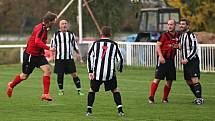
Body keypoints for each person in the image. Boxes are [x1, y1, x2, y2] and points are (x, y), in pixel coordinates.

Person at [6, 11, 57, 101]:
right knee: (24, 76)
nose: (54, 22)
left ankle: (45, 94)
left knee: (47, 70)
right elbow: (37, 41)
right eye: (54, 21)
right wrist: (48, 48)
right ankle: (11, 85)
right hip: (31, 55)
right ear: (49, 21)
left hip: (39, 55)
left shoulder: (43, 27)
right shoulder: (41, 29)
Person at [86, 26, 124, 116]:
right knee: (115, 90)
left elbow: (89, 57)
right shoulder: (114, 44)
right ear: (110, 34)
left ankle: (89, 111)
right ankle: (120, 110)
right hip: (109, 73)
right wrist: (119, 68)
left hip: (97, 73)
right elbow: (120, 59)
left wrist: (90, 71)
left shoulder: (95, 44)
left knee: (92, 90)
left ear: (101, 34)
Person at [148, 19, 180, 104]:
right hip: (163, 60)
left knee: (170, 80)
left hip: (171, 61)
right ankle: (151, 97)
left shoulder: (178, 35)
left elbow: (180, 45)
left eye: (171, 24)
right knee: (157, 78)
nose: (169, 26)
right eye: (168, 24)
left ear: (175, 25)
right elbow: (157, 46)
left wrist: (178, 46)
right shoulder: (164, 35)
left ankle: (165, 98)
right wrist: (161, 56)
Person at [50, 19, 84, 96]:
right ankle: (61, 90)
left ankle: (79, 90)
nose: (64, 25)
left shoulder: (71, 34)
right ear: (59, 25)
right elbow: (52, 46)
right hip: (59, 58)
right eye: (63, 23)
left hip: (69, 58)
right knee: (60, 74)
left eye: (66, 23)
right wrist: (52, 55)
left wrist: (79, 55)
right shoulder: (56, 35)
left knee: (74, 74)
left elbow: (75, 45)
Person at [179, 18, 204, 105]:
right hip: (185, 62)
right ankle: (197, 97)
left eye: (183, 24)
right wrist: (178, 47)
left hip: (192, 61)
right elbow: (183, 48)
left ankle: (199, 98)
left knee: (194, 79)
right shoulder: (181, 36)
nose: (181, 25)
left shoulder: (191, 35)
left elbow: (194, 49)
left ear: (187, 26)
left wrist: (187, 59)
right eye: (180, 24)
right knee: (188, 81)